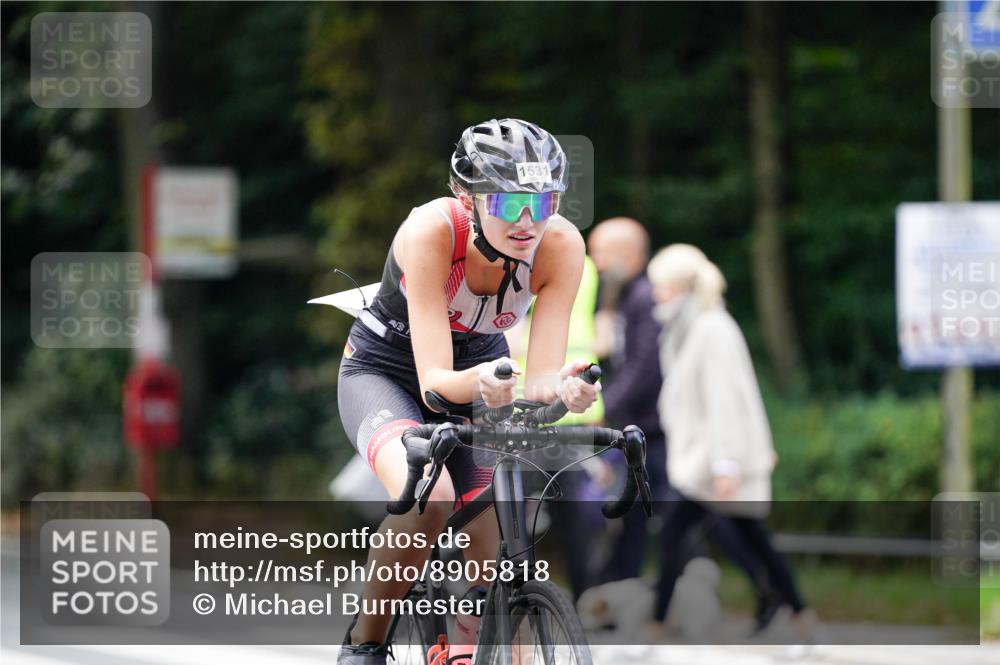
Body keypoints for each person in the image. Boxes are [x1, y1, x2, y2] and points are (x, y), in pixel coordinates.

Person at [336, 118, 601, 664]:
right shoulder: (431, 230)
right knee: (430, 497)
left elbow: (542, 380)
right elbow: (434, 385)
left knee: (500, 523)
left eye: (543, 202)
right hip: (388, 371)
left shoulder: (561, 246)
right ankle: (365, 641)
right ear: (467, 197)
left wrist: (564, 393)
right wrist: (485, 385)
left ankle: (475, 635)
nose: (528, 222)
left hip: (483, 368)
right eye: (508, 205)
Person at [645, 243, 818, 643]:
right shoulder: (692, 327)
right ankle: (799, 614)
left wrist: (726, 464)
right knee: (749, 539)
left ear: (679, 286)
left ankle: (656, 623)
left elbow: (724, 398)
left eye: (662, 286)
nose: (656, 295)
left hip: (712, 460)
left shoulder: (709, 329)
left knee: (702, 537)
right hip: (703, 459)